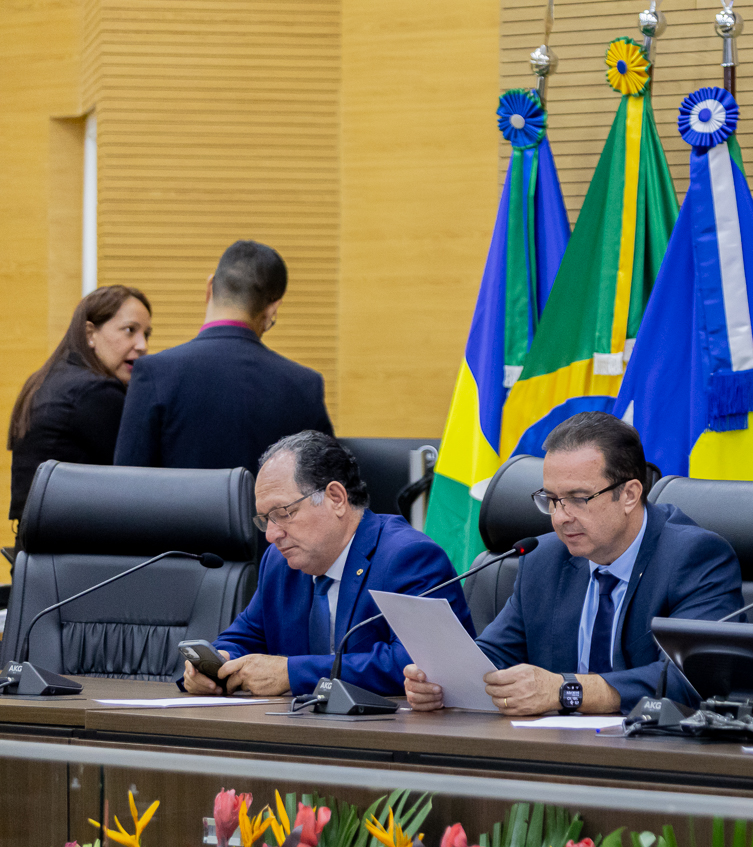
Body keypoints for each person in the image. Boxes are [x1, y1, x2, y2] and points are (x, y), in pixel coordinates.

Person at [403, 412, 743, 716]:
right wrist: (443, 680)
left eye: (578, 499)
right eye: (551, 500)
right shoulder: (543, 558)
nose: (560, 517)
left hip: (653, 752)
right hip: (556, 747)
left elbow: (695, 678)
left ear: (629, 494)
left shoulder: (694, 557)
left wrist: (567, 691)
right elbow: (495, 655)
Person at [182, 431, 473, 697]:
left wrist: (292, 674)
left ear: (336, 498)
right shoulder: (279, 563)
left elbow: (421, 663)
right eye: (265, 519)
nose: (271, 535)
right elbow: (245, 637)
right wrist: (215, 665)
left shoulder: (408, 557)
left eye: (283, 513)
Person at [115, 240, 331, 473]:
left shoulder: (153, 373)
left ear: (210, 287)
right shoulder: (305, 386)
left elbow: (127, 483)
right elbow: (328, 483)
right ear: (273, 308)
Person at [9, 286, 153, 519]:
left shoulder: (47, 379)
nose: (142, 345)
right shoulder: (95, 392)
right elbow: (141, 478)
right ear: (90, 334)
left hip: (38, 535)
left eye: (146, 334)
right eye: (130, 330)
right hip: (68, 537)